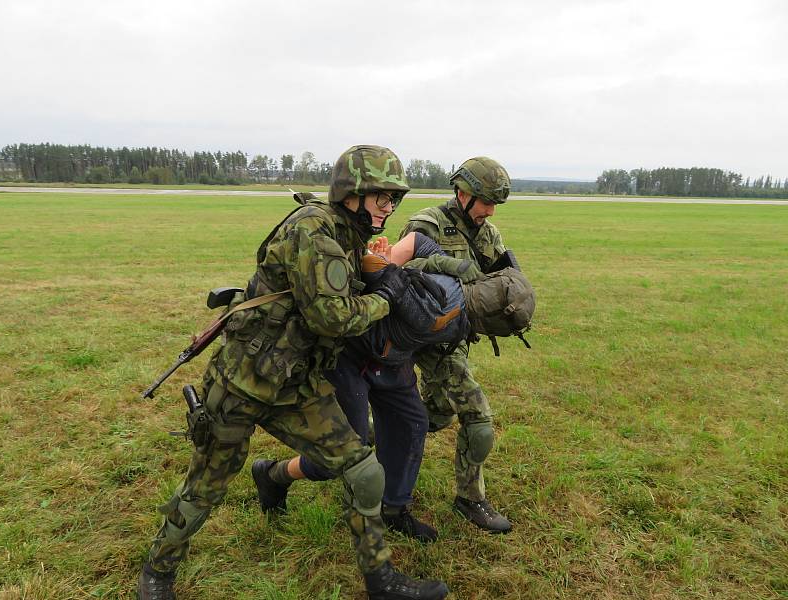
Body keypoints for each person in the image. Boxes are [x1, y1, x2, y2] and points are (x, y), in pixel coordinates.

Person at [137, 145, 449, 600]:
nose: (389, 206)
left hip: (296, 387)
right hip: (242, 384)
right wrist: (388, 298)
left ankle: (381, 581)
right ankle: (157, 571)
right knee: (204, 488)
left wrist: (382, 273)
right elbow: (333, 318)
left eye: (394, 198)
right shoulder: (314, 231)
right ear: (351, 192)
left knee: (364, 472)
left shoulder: (348, 235)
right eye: (380, 195)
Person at [252, 232, 534, 542]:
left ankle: (393, 509)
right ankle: (273, 474)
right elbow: (377, 271)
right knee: (346, 450)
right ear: (492, 319)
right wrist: (381, 261)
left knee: (412, 424)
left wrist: (436, 262)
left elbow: (418, 241)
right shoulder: (437, 312)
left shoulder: (457, 288)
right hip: (350, 355)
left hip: (389, 357)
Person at [399, 157, 518, 533]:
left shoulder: (488, 232)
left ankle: (365, 437)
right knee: (478, 418)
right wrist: (446, 268)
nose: (489, 210)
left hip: (459, 337)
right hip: (430, 340)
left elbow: (499, 279)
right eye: (484, 200)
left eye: (494, 203)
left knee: (436, 414)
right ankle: (471, 499)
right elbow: (397, 277)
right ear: (462, 192)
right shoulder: (426, 225)